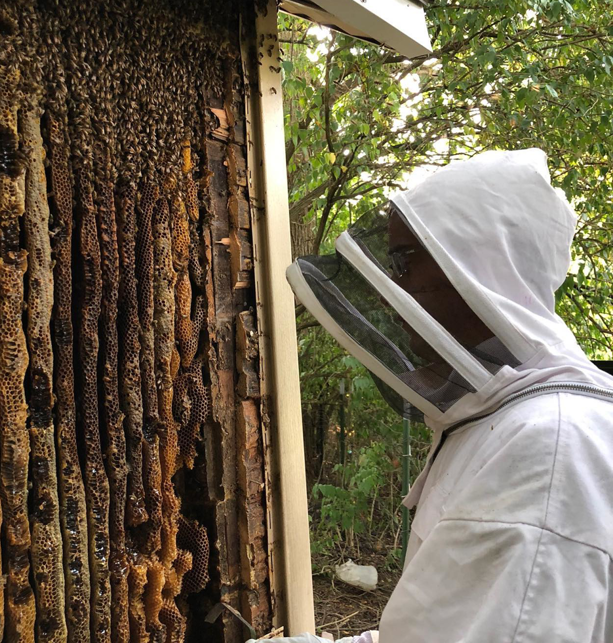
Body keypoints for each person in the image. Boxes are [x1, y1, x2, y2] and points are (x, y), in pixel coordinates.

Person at [256, 149, 613, 643]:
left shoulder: (545, 451)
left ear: (475, 262)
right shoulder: (505, 420)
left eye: (404, 260)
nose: (389, 290)